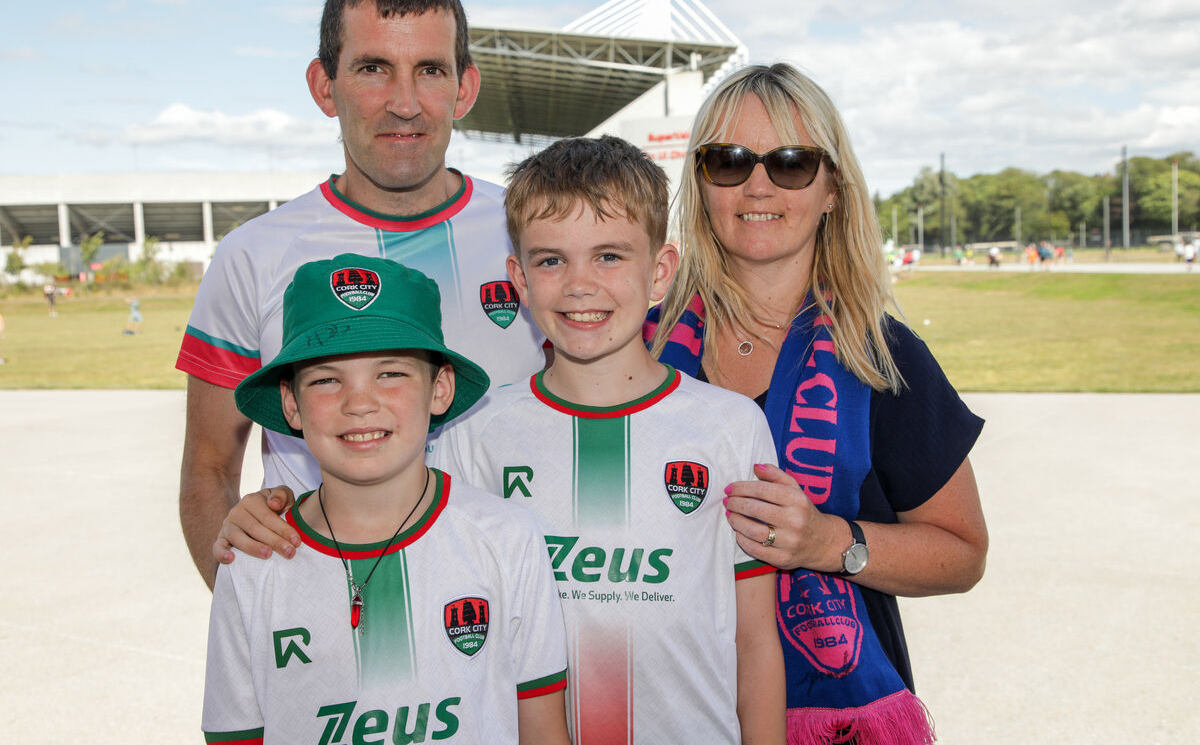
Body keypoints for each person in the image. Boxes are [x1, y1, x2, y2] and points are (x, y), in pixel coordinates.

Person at [644, 63, 988, 744]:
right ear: (702, 184)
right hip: (663, 706)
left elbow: (962, 553)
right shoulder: (639, 351)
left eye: (792, 163)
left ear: (832, 187)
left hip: (835, 721)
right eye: (729, 161)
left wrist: (830, 542)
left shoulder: (882, 358)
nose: (758, 185)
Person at [176, 0, 546, 589]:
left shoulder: (535, 234)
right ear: (325, 86)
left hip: (520, 622)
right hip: (330, 631)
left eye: (430, 70)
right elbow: (210, 470)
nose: (404, 104)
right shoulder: (252, 255)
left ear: (464, 88)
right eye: (374, 69)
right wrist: (262, 619)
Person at [435, 135, 785, 743]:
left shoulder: (730, 426)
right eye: (550, 260)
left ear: (660, 271)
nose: (578, 284)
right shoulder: (475, 432)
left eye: (609, 257)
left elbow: (755, 639)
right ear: (518, 277)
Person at [203, 253, 570, 745]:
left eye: (391, 373)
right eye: (326, 379)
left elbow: (543, 732)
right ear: (291, 403)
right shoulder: (252, 560)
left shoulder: (506, 539)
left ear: (439, 389)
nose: (359, 403)